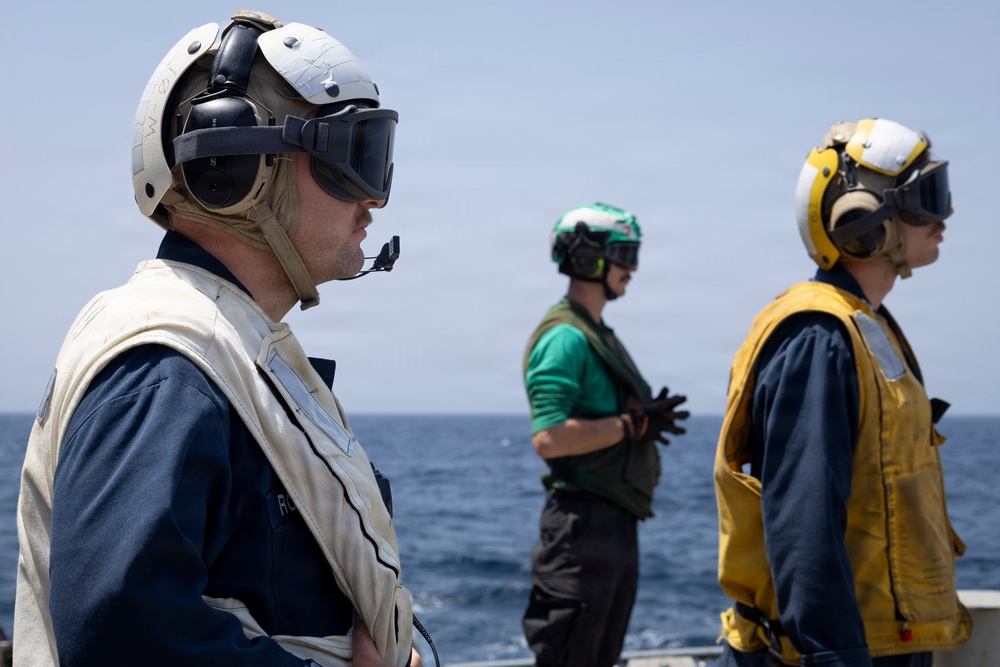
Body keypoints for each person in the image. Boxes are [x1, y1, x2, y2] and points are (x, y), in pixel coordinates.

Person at [15, 10, 423, 667]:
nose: (372, 201)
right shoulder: (165, 366)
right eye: (354, 157)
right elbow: (120, 635)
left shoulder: (225, 353)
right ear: (233, 165)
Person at [714, 118, 972, 667]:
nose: (944, 215)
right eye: (928, 197)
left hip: (880, 641)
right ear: (862, 221)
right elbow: (803, 521)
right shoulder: (819, 338)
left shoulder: (864, 326)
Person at [521, 203, 690, 667]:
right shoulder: (567, 338)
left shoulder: (598, 333)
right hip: (581, 530)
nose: (631, 270)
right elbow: (549, 438)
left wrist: (637, 415)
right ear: (589, 258)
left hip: (610, 528)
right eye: (625, 255)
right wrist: (630, 425)